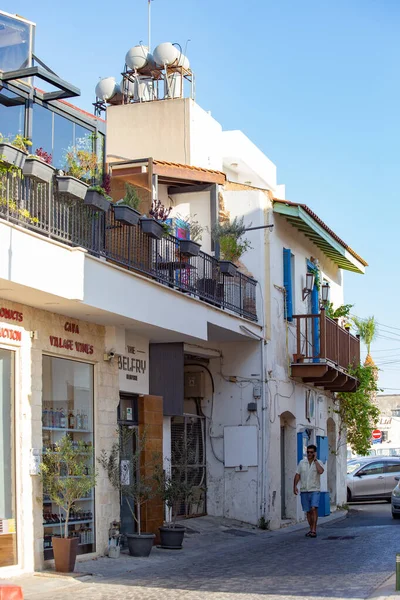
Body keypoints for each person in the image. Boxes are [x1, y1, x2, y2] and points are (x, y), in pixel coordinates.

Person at [293, 444, 324, 538]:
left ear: (315, 453)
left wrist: (315, 461)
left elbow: (321, 471)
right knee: (308, 511)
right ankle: (311, 529)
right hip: (304, 490)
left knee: (314, 508)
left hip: (315, 489)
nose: (309, 454)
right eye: (308, 452)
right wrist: (294, 486)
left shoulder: (319, 462)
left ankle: (314, 530)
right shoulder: (302, 463)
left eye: (311, 452)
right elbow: (297, 475)